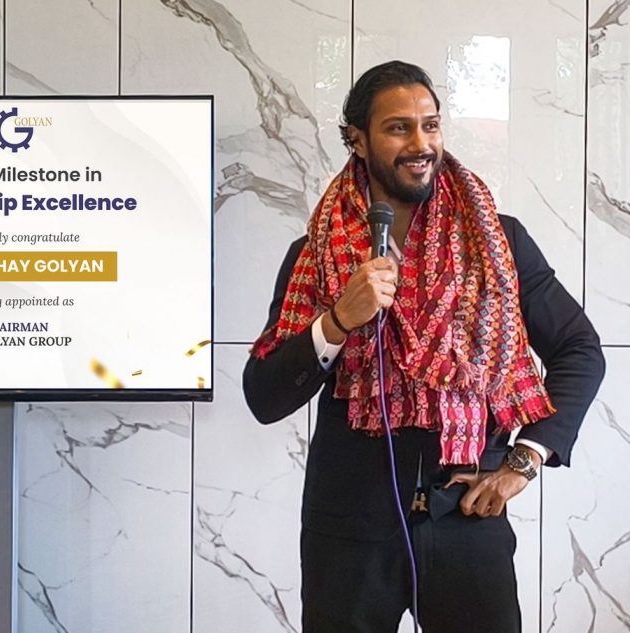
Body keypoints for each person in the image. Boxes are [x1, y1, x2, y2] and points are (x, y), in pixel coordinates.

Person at [243, 61, 605, 632]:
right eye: (398, 128)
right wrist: (338, 320)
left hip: (468, 523)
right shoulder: (315, 254)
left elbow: (580, 349)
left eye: (430, 125)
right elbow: (264, 397)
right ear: (357, 140)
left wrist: (523, 461)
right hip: (348, 537)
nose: (421, 143)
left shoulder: (499, 242)